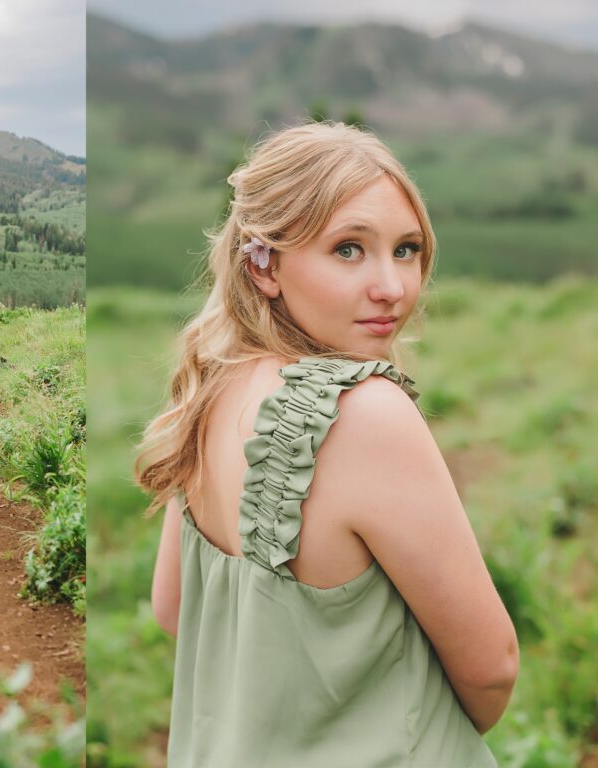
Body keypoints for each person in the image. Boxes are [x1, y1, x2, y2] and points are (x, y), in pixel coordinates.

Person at [136, 122, 518, 767]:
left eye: (406, 249)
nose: (392, 287)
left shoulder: (211, 387)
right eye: (348, 249)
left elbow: (172, 610)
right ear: (265, 266)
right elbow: (492, 669)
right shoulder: (366, 413)